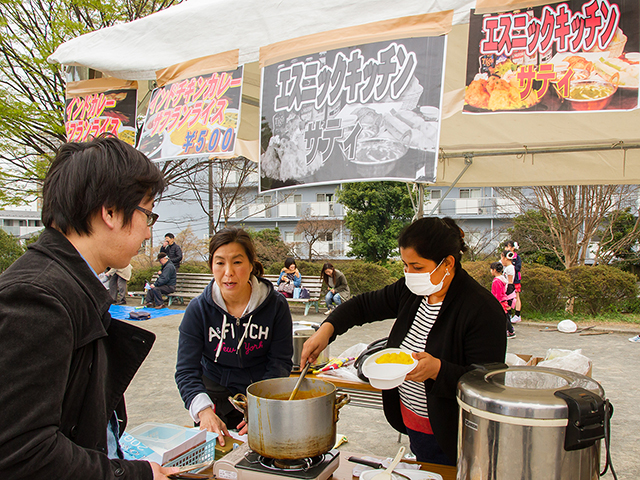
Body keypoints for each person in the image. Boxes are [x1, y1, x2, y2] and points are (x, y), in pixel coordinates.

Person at [0, 136, 179, 479]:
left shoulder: (72, 285)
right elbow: (22, 452)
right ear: (110, 211)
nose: (146, 232)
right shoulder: (36, 298)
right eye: (148, 214)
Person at [300, 217, 506, 466]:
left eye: (417, 267)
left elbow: (488, 383)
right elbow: (363, 306)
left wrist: (438, 370)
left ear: (448, 263)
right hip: (413, 422)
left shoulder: (482, 309)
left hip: (453, 432)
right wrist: (326, 330)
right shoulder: (413, 291)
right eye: (405, 265)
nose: (409, 274)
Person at [175, 227, 293, 447]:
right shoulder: (198, 309)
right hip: (214, 398)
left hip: (260, 393)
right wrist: (203, 412)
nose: (228, 272)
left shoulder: (276, 306)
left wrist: (262, 410)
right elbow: (186, 370)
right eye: (220, 263)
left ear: (251, 264)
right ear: (212, 266)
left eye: (237, 262)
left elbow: (280, 362)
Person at [490, 262, 516, 339]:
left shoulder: (496, 281)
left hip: (499, 301)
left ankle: (510, 331)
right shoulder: (502, 279)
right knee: (505, 316)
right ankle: (510, 331)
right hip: (503, 300)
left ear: (494, 270)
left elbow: (497, 294)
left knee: (503, 318)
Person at [506, 240, 522, 323]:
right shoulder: (505, 256)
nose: (507, 249)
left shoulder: (517, 257)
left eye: (508, 247)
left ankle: (517, 315)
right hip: (507, 281)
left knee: (516, 297)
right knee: (508, 298)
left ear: (513, 248)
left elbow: (518, 268)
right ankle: (509, 314)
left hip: (515, 280)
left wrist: (511, 266)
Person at [500, 249, 516, 322]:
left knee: (507, 308)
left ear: (506, 258)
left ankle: (509, 327)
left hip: (509, 288)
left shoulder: (510, 268)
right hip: (507, 288)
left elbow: (510, 281)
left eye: (502, 258)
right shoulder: (507, 267)